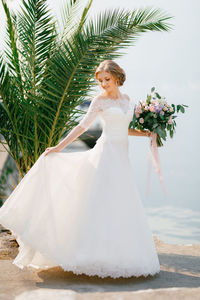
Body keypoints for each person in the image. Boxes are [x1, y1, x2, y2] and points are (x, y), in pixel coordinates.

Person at [0, 60, 160, 278]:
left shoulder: (127, 100)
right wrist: (58, 147)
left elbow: (124, 128)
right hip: (105, 154)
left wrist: (147, 134)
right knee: (98, 201)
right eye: (100, 80)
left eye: (107, 79)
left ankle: (115, 254)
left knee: (120, 202)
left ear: (117, 77)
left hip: (122, 157)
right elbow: (82, 126)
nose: (103, 84)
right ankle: (85, 253)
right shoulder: (99, 101)